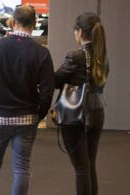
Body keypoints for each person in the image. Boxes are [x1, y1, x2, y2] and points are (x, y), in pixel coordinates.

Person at [0, 5, 54, 195]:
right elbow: (47, 90)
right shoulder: (41, 53)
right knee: (21, 168)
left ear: (13, 22)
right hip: (27, 117)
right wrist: (39, 114)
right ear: (35, 23)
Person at [55, 12, 108, 195]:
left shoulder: (75, 56)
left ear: (79, 32)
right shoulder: (103, 57)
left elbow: (56, 80)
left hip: (76, 114)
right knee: (89, 164)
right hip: (98, 111)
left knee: (81, 168)